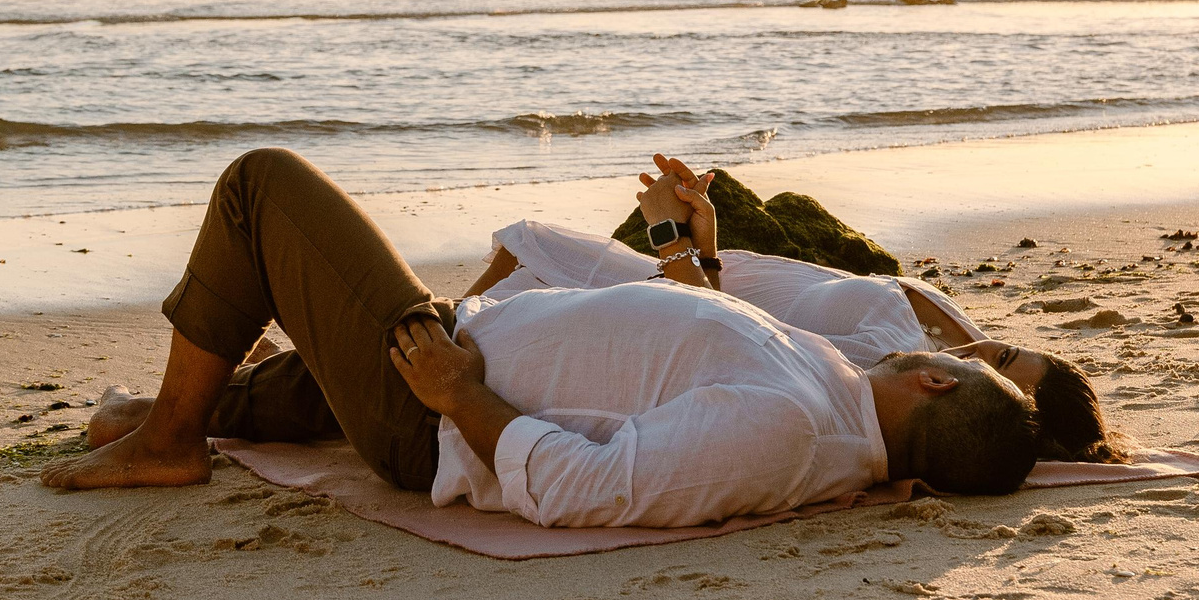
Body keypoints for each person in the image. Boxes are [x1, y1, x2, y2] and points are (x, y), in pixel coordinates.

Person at [41, 149, 1040, 524]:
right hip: (458, 352)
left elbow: (585, 487)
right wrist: (687, 242)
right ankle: (166, 418)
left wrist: (457, 393)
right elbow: (694, 326)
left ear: (936, 385)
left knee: (262, 186)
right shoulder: (831, 396)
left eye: (956, 359)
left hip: (431, 404)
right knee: (223, 389)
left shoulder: (787, 431)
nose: (944, 349)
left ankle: (171, 441)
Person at [464, 179, 1127, 465]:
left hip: (676, 298)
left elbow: (738, 335)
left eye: (998, 376)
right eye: (1006, 352)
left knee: (527, 259)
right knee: (525, 257)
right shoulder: (950, 334)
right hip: (709, 274)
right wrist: (707, 238)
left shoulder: (886, 369)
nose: (981, 355)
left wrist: (676, 240)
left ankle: (442, 342)